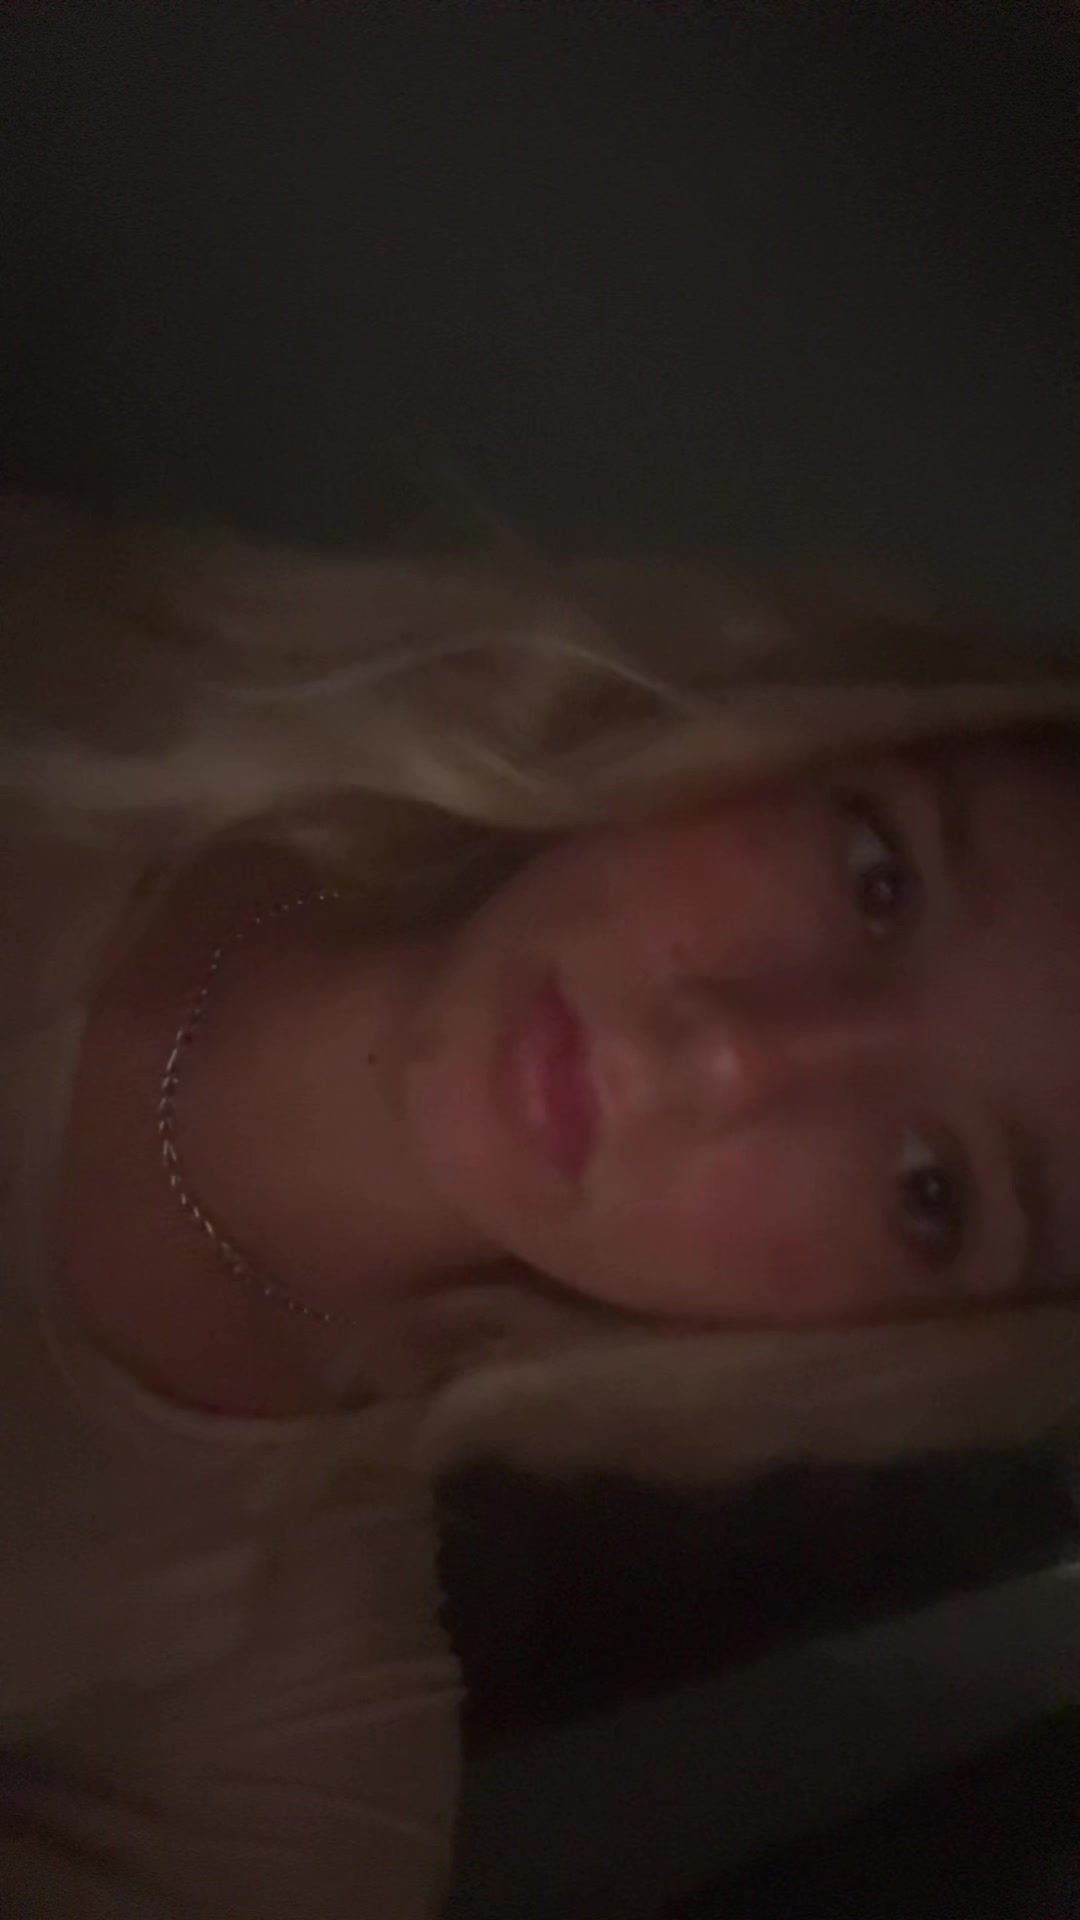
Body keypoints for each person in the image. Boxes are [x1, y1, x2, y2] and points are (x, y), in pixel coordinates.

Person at [1, 497, 1078, 1919]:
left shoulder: (269, 1770)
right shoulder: (95, 666)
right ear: (782, 741)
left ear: (871, 1342)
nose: (741, 1054)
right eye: (876, 876)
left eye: (930, 1191)